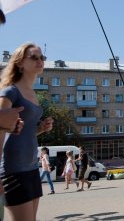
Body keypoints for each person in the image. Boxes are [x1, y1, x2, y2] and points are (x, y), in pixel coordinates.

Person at [0, 42, 54, 220]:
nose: (40, 61)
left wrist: (39, 128)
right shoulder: (10, 92)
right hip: (13, 168)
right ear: (20, 63)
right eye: (34, 57)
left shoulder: (32, 93)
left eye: (42, 57)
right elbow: (0, 131)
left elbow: (20, 132)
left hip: (31, 167)